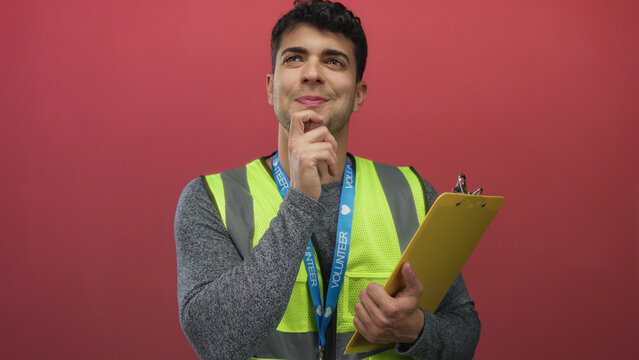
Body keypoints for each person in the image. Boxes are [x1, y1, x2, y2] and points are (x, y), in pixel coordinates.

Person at [174, 1, 480, 359]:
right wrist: (301, 199)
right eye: (294, 58)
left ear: (358, 95)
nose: (312, 73)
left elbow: (464, 330)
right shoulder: (209, 199)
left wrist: (415, 330)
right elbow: (216, 340)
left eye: (333, 61)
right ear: (271, 88)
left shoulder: (412, 193)